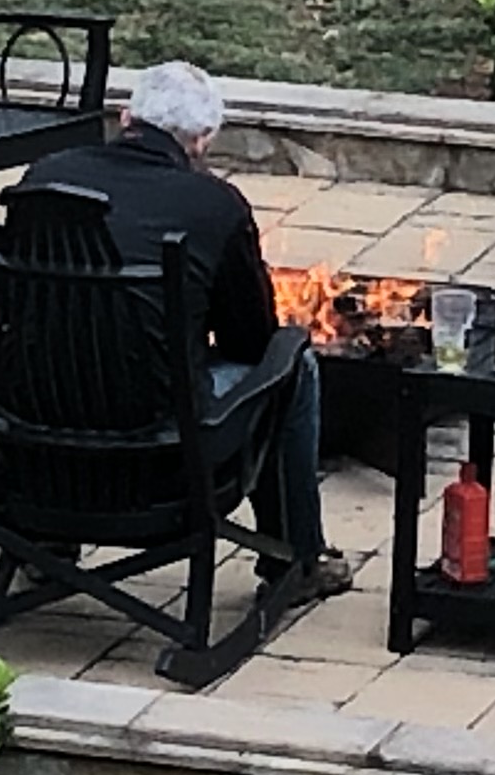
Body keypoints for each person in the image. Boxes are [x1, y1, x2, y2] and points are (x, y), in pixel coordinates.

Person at [21, 59, 355, 607]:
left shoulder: (44, 177)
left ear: (125, 117)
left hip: (36, 443)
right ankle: (295, 556)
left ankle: (44, 542)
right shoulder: (214, 205)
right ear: (202, 141)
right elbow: (253, 345)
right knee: (294, 363)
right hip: (160, 459)